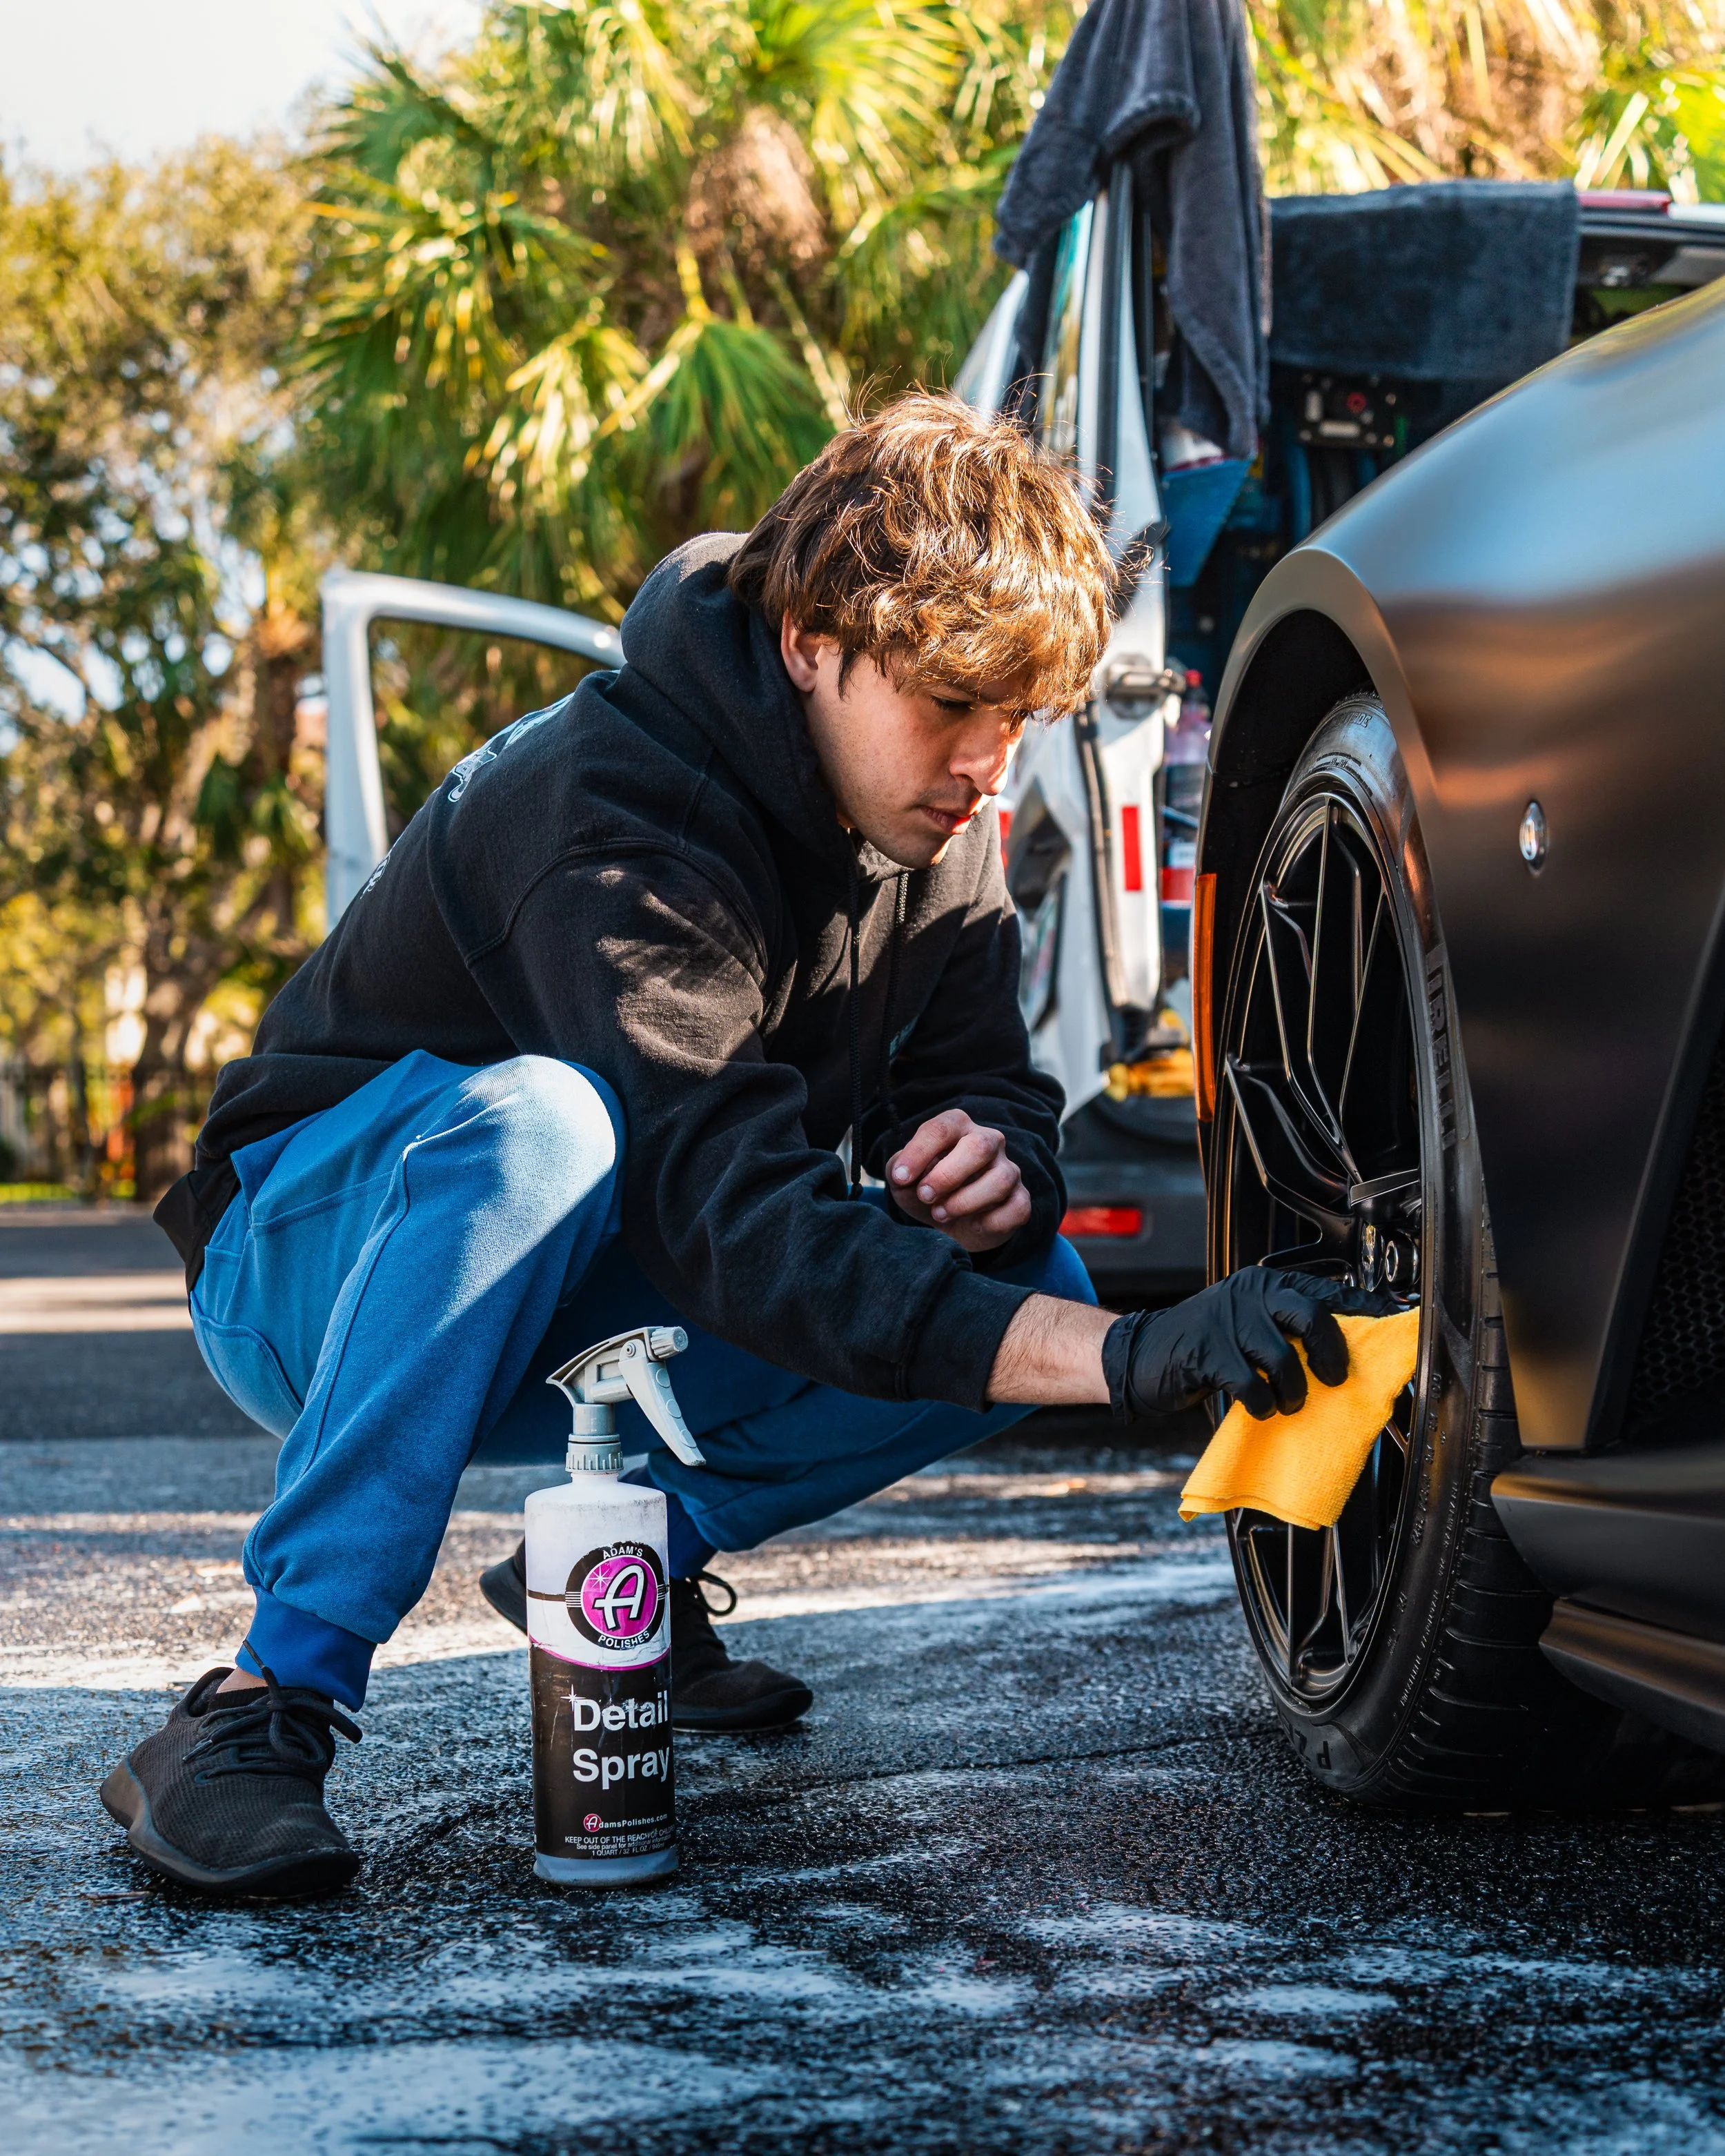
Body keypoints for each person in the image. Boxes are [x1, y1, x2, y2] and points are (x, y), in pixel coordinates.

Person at [103, 394, 1381, 1898]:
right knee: (544, 1125)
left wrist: (987, 1153)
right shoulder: (613, 816)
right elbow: (737, 1213)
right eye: (950, 704)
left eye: (1013, 717)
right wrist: (1130, 1365)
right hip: (312, 1261)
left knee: (1022, 1271)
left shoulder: (931, 816)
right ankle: (261, 1705)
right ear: (808, 645)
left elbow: (981, 1071)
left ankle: (611, 1571)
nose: (984, 764)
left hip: (593, 1262)